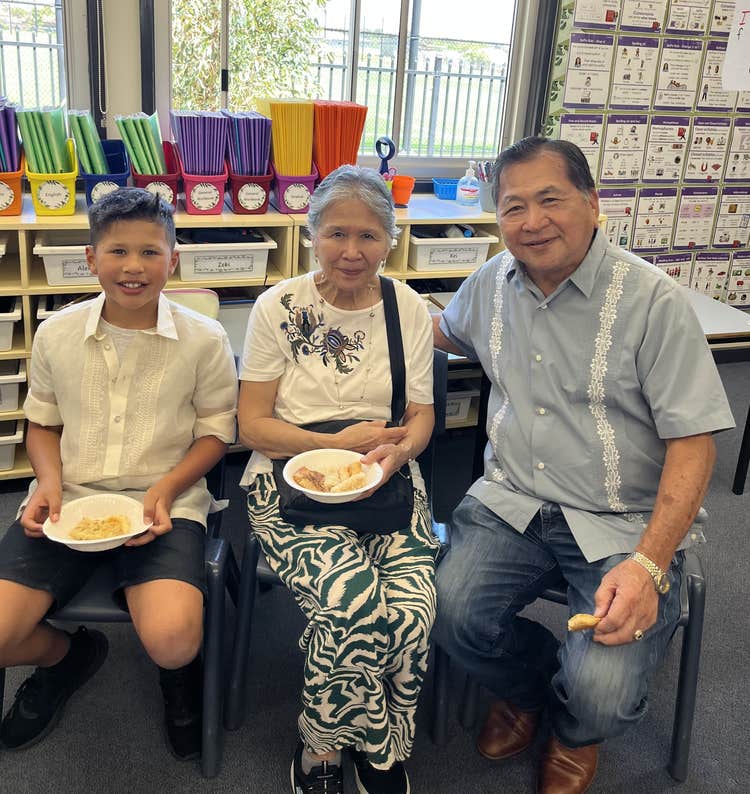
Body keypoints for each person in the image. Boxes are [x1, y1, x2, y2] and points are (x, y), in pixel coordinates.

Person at [431, 137, 734, 794]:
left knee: (603, 691)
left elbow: (695, 444)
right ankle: (531, 689)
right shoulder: (490, 283)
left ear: (593, 205)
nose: (532, 221)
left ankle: (575, 730)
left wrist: (651, 564)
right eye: (514, 207)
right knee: (446, 610)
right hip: (511, 499)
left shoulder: (653, 302)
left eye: (551, 200)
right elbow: (437, 330)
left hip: (622, 518)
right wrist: (347, 286)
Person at [0, 188, 238, 761]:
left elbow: (214, 434)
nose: (134, 267)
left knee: (173, 639)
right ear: (91, 258)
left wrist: (165, 489)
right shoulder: (57, 332)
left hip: (166, 503)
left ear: (173, 259)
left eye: (151, 252)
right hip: (69, 504)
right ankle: (68, 657)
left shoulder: (206, 340)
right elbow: (43, 425)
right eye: (118, 252)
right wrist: (48, 485)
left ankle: (178, 677)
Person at [238, 164, 439, 794]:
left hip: (386, 477)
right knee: (351, 607)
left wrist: (401, 451)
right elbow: (253, 426)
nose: (352, 252)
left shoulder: (407, 306)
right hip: (289, 480)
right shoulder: (280, 307)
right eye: (336, 234)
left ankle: (363, 742)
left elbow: (422, 414)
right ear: (310, 234)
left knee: (411, 612)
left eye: (369, 236)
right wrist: (333, 445)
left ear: (391, 240)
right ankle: (341, 747)